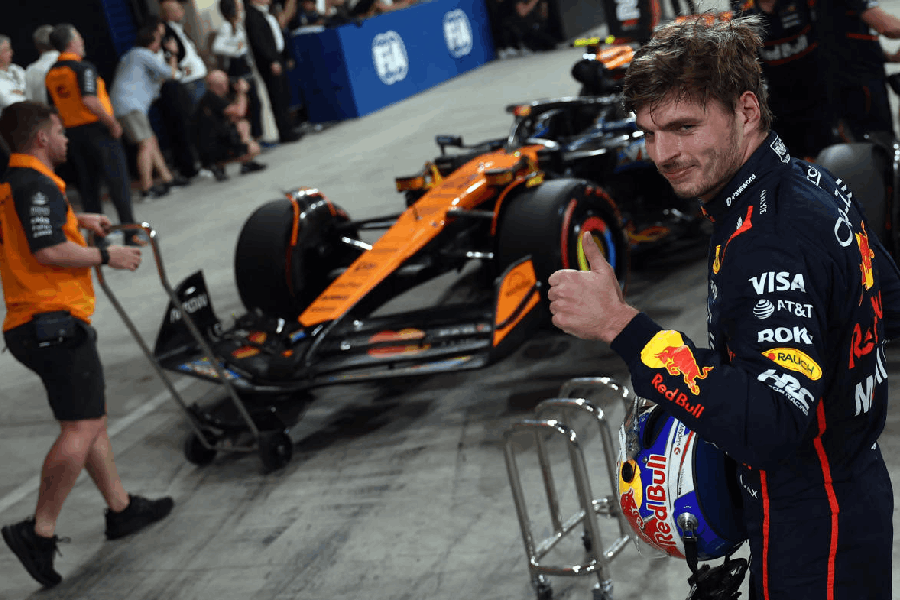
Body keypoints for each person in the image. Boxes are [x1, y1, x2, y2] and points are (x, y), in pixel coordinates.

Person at [547, 15, 899, 600]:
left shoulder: (768, 238)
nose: (664, 154)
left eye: (684, 127)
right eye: (649, 133)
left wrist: (621, 325)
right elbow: (881, 296)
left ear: (747, 110)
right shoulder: (808, 182)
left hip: (814, 523)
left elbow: (769, 426)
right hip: (839, 495)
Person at [0, 101, 174, 589]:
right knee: (81, 427)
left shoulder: (13, 185)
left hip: (31, 323)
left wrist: (80, 219)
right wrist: (105, 255)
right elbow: (47, 249)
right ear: (39, 139)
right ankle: (38, 530)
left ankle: (120, 509)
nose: (67, 138)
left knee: (88, 420)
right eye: (59, 131)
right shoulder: (36, 185)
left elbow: (42, 230)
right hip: (51, 323)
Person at [44, 24, 141, 246]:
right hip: (97, 130)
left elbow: (54, 109)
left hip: (74, 135)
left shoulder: (52, 74)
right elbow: (89, 99)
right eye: (79, 38)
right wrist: (112, 123)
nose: (82, 42)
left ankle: (98, 236)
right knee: (118, 183)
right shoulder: (83, 68)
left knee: (89, 187)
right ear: (71, 43)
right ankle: (130, 232)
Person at [733, 0, 837, 159]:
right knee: (789, 161)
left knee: (826, 156)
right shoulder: (742, 10)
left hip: (816, 95)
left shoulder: (804, 4)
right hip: (778, 102)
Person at [110, 24, 186, 199]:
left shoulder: (132, 56)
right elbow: (170, 74)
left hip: (128, 106)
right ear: (153, 42)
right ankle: (147, 187)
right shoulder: (142, 54)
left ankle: (167, 178)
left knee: (151, 141)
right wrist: (173, 54)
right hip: (130, 106)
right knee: (145, 145)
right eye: (159, 40)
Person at [817, 0, 900, 141]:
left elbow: (850, 36)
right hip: (857, 84)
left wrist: (891, 57)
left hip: (859, 78)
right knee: (875, 142)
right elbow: (888, 27)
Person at [158, 0, 209, 179]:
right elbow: (171, 56)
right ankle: (197, 163)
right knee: (193, 123)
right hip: (188, 82)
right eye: (177, 9)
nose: (182, 11)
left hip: (196, 79)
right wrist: (180, 69)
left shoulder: (178, 27)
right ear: (168, 13)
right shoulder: (166, 31)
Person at [245, 0, 303, 143]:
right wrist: (271, 60)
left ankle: (289, 127)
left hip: (278, 56)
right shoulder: (252, 16)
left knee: (284, 94)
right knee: (277, 97)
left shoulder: (267, 12)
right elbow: (260, 42)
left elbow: (276, 35)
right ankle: (285, 132)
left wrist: (285, 55)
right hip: (270, 62)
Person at [194, 70, 267, 180]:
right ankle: (220, 164)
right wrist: (241, 92)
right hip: (213, 148)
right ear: (220, 85)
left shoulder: (210, 98)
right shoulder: (212, 98)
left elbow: (234, 115)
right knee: (253, 146)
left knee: (240, 123)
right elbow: (240, 112)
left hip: (212, 144)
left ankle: (227, 165)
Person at [213, 0, 265, 141]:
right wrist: (236, 50)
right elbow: (217, 47)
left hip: (246, 67)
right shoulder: (226, 26)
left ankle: (257, 135)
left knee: (256, 102)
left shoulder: (239, 23)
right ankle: (246, 137)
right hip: (237, 70)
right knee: (242, 104)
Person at [24, 25, 59, 106]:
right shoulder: (70, 64)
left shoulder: (31, 70)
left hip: (42, 117)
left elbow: (29, 102)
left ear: (36, 46)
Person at [0, 36, 27, 114]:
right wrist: (25, 93)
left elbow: (32, 90)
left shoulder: (17, 69)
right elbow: (9, 102)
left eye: (10, 49)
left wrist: (20, 93)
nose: (11, 52)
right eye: (6, 50)